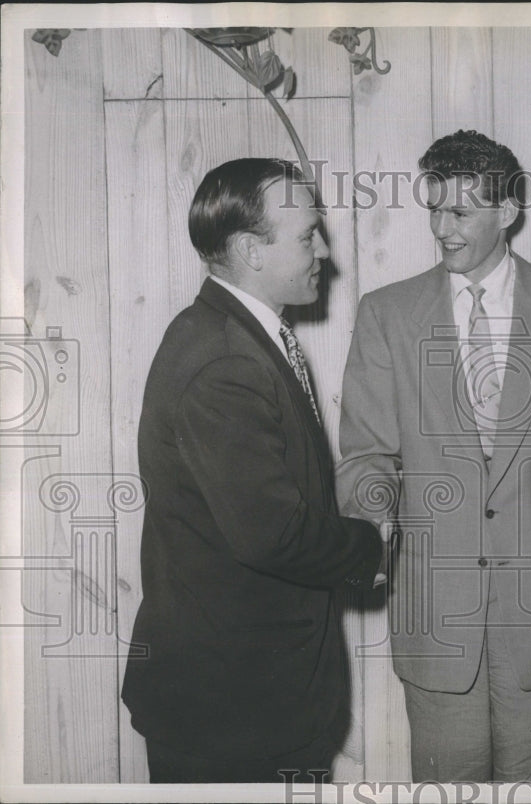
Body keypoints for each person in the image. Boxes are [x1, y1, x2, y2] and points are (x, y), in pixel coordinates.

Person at [121, 158, 384, 783]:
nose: (324, 251)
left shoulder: (237, 336)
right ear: (250, 250)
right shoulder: (223, 360)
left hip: (253, 700)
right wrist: (370, 544)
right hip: (235, 712)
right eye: (306, 236)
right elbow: (274, 533)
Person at [337, 130, 531, 782]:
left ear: (507, 213)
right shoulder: (386, 313)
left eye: (461, 213)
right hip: (436, 615)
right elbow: (366, 455)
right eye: (434, 209)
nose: (442, 229)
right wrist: (374, 519)